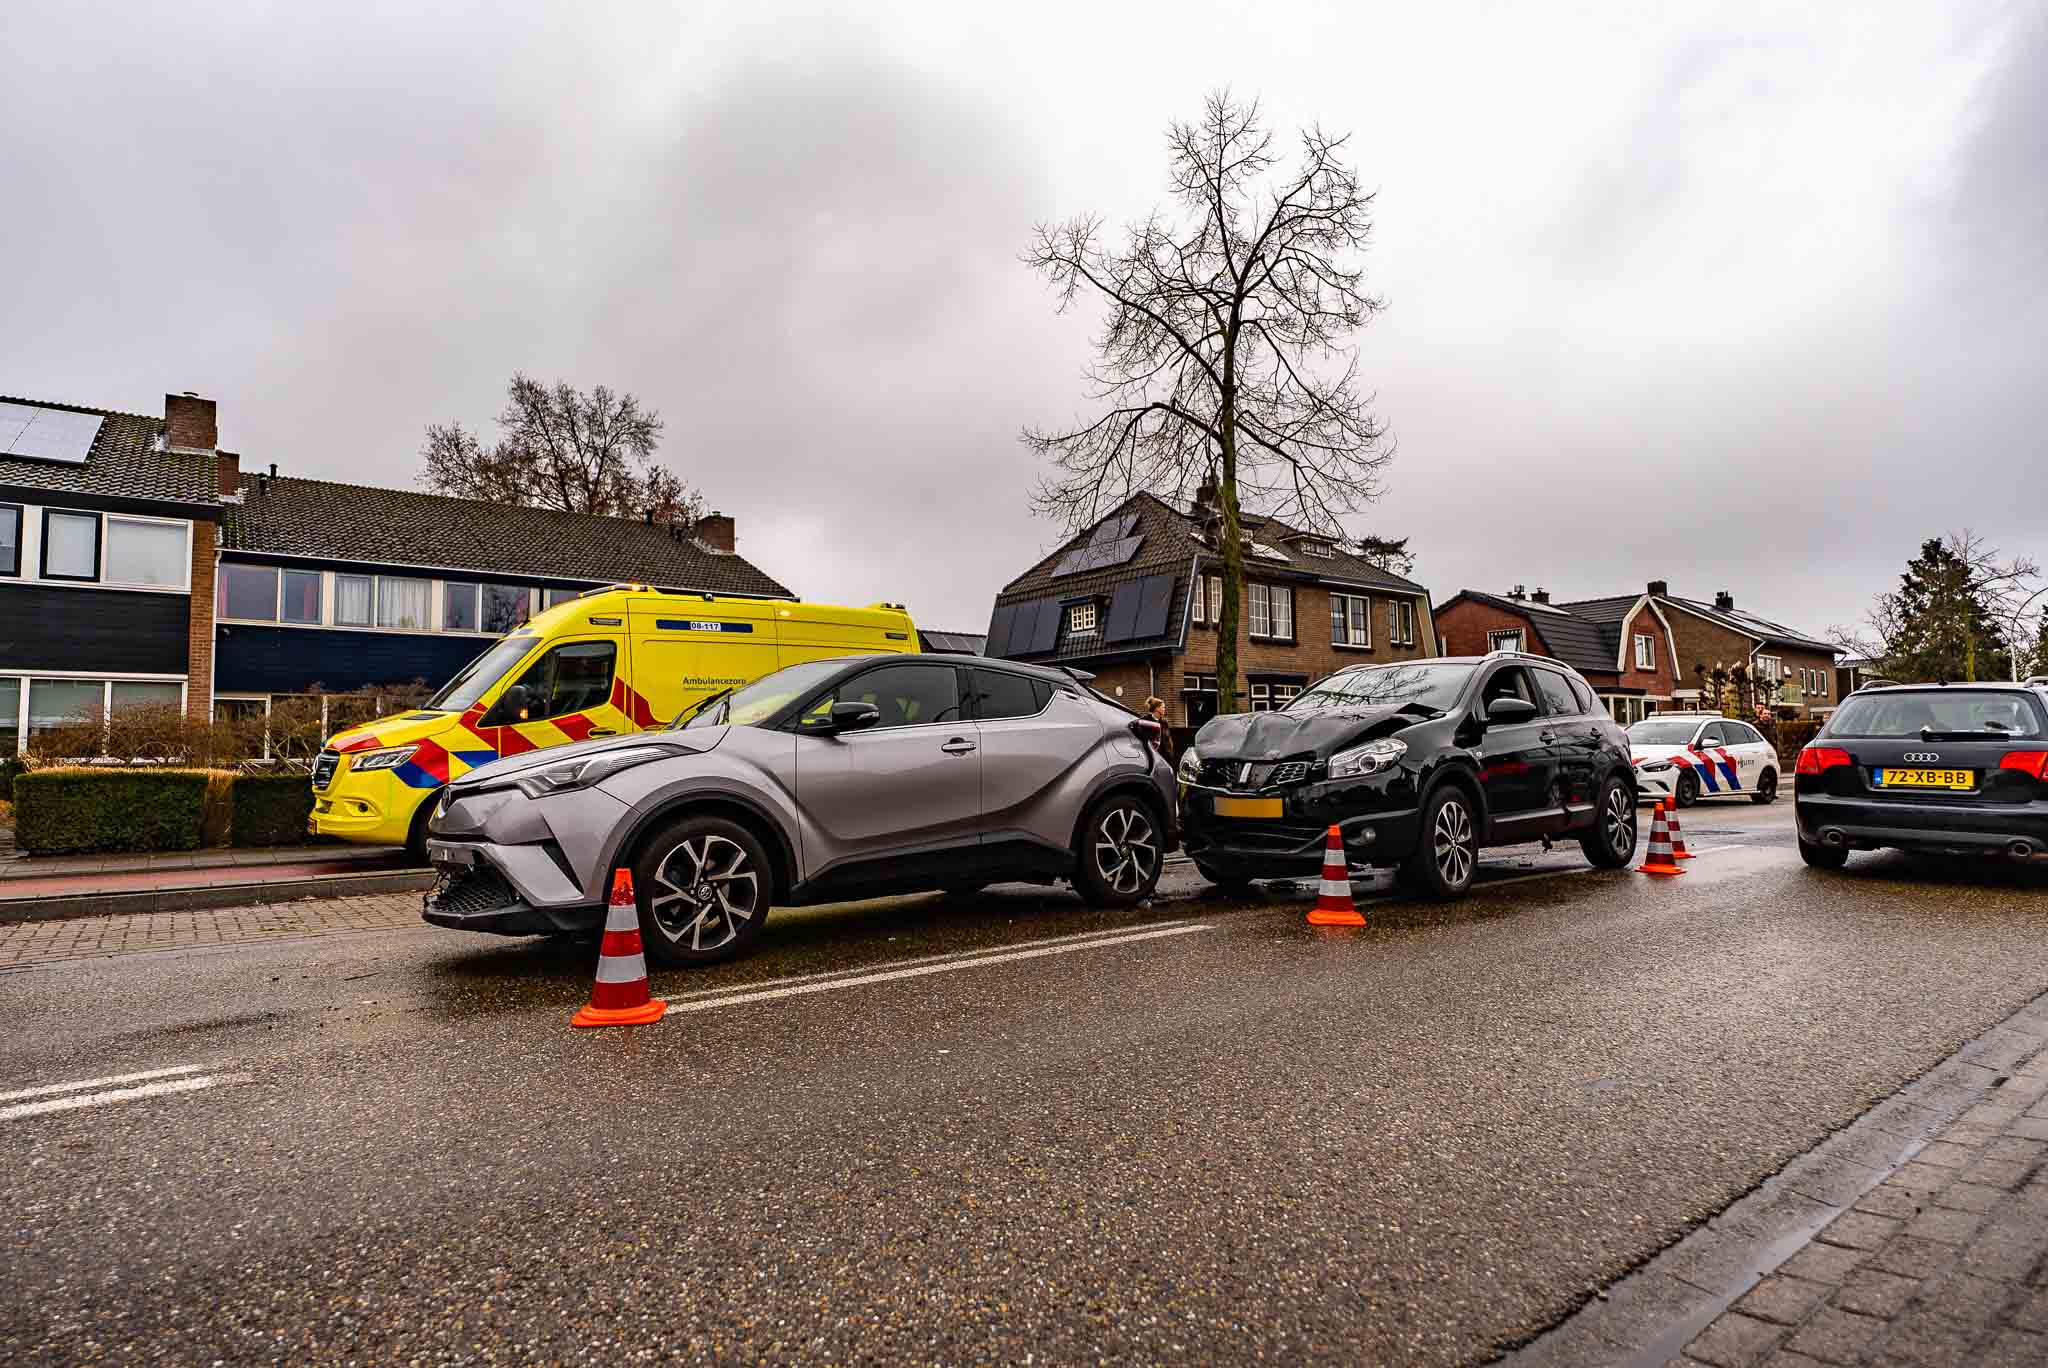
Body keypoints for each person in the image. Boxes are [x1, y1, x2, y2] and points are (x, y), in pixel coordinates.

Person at [1144, 695, 1176, 765]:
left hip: (1167, 758)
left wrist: (1171, 753)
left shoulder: (1164, 722)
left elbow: (1168, 739)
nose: (1164, 709)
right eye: (1163, 707)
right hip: (1153, 758)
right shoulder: (1145, 721)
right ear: (1157, 709)